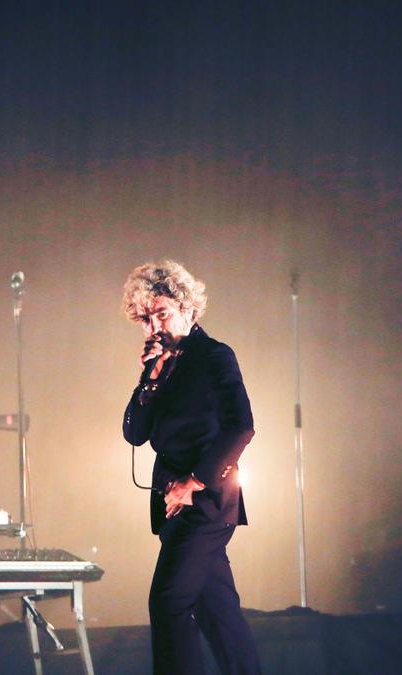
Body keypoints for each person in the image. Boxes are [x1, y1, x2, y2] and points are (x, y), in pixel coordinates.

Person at [121, 260, 262, 675]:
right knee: (218, 613)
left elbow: (242, 426)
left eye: (161, 314)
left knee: (168, 602)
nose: (153, 327)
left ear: (188, 309)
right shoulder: (161, 366)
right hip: (172, 505)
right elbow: (134, 434)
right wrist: (149, 379)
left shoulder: (215, 356)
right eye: (146, 319)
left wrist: (195, 480)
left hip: (206, 502)